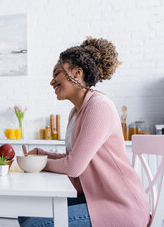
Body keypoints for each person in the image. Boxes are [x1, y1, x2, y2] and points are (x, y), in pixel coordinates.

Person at [18, 37, 150, 227]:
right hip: (95, 198)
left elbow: (73, 167)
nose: (51, 82)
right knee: (27, 212)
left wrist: (38, 164)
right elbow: (74, 157)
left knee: (35, 224)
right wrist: (43, 154)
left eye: (57, 74)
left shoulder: (99, 106)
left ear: (77, 73)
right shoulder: (77, 111)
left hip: (120, 206)